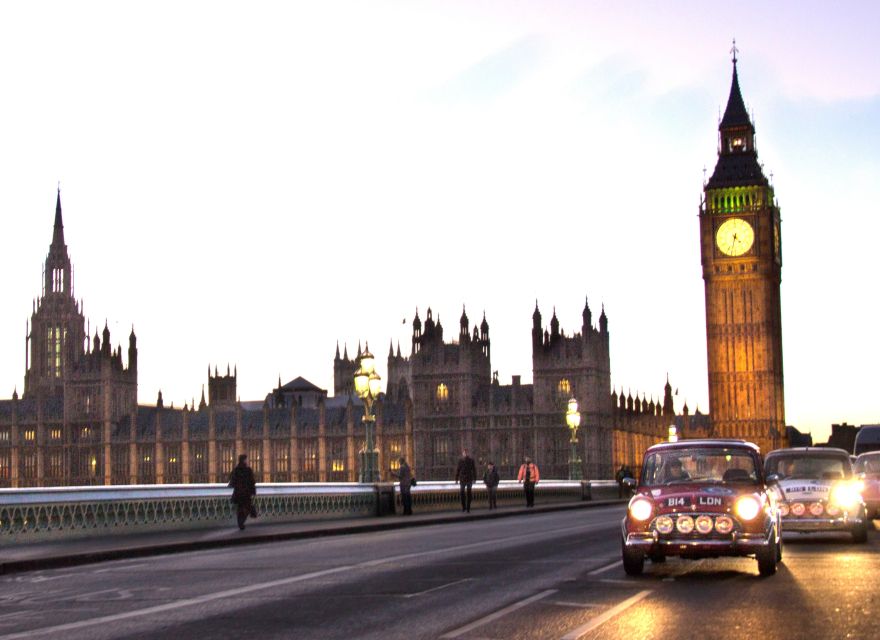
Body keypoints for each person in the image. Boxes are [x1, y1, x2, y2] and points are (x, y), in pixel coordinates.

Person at [228, 454, 256, 530]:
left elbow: (231, 480)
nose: (248, 460)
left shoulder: (236, 469)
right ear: (244, 460)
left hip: (238, 493)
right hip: (246, 493)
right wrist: (253, 492)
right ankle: (241, 522)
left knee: (240, 508)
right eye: (247, 459)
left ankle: (240, 522)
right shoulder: (248, 470)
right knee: (247, 507)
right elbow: (252, 482)